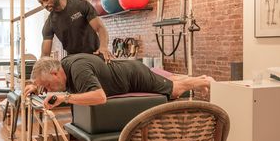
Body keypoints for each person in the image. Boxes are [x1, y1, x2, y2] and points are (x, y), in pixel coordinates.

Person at [24, 53, 214, 109]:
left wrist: (65, 98)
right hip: (126, 69)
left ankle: (205, 82)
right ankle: (201, 78)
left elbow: (100, 97)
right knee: (166, 79)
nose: (49, 89)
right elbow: (50, 86)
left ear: (56, 73)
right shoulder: (63, 65)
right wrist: (35, 86)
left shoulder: (78, 70)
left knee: (174, 90)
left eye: (47, 85)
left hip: (133, 77)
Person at [35, 0, 113, 62]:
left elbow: (100, 28)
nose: (44, 5)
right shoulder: (50, 23)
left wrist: (103, 47)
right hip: (74, 61)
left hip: (94, 55)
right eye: (41, 3)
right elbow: (45, 55)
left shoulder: (81, 5)